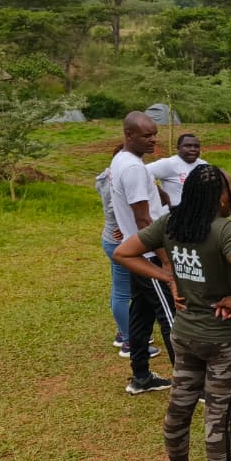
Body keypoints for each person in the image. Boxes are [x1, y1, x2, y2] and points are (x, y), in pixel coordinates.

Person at [113, 164, 231, 461]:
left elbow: (123, 253)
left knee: (179, 406)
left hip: (184, 335)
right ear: (221, 196)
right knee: (217, 419)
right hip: (223, 341)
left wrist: (167, 275)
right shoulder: (224, 229)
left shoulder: (172, 223)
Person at [110, 111, 174, 394]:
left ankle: (141, 376)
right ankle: (192, 386)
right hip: (147, 255)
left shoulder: (122, 161)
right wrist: (165, 261)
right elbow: (144, 221)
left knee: (141, 315)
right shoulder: (134, 168)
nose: (153, 140)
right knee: (172, 317)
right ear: (129, 135)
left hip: (133, 251)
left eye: (154, 134)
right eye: (146, 135)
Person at [95, 144, 138, 352]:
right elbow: (117, 208)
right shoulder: (116, 180)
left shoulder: (105, 177)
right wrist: (124, 225)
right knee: (123, 292)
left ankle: (122, 332)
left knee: (118, 288)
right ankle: (129, 341)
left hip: (110, 238)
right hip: (118, 241)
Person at [147, 133, 207, 207]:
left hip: (199, 213)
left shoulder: (203, 164)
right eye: (188, 146)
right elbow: (141, 173)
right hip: (174, 215)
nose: (193, 149)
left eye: (196, 146)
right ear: (178, 148)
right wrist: (160, 193)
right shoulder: (168, 163)